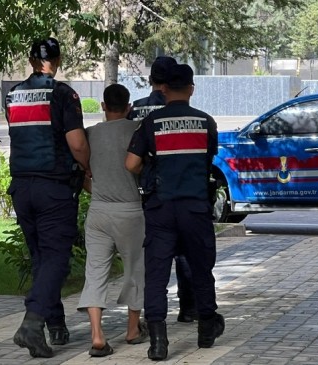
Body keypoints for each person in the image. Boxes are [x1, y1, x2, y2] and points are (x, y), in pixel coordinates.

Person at [125, 63, 224, 361]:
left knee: (156, 274)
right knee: (200, 268)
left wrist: (150, 174)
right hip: (195, 207)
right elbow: (207, 162)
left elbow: (131, 164)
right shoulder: (206, 122)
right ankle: (206, 328)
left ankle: (158, 342)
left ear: (164, 88)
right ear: (192, 89)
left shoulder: (152, 123)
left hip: (161, 209)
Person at [5, 37, 91, 359]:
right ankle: (32, 323)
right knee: (56, 257)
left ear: (31, 60)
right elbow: (78, 144)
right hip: (54, 187)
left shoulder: (12, 95)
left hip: (22, 188)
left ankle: (54, 326)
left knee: (42, 256)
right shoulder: (63, 94)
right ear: (58, 60)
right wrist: (88, 169)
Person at [76, 83, 148, 357]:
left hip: (99, 211)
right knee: (135, 269)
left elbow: (84, 178)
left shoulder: (90, 135)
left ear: (104, 106)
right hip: (132, 211)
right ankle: (132, 330)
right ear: (129, 106)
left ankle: (97, 335)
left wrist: (100, 189)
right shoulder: (138, 131)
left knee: (95, 272)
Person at [128, 56, 198, 324]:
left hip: (144, 191)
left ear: (151, 80)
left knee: (154, 254)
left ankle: (150, 313)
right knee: (183, 253)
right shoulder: (182, 111)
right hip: (179, 189)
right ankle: (188, 306)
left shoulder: (135, 109)